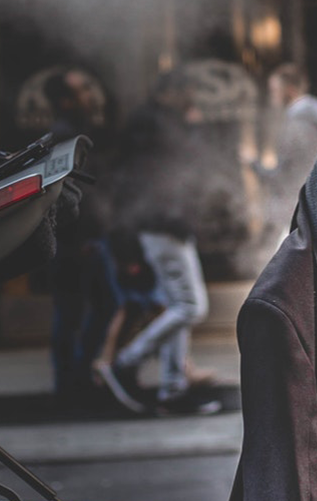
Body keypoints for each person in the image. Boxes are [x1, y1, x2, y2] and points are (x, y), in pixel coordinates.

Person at [95, 73, 222, 416]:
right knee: (191, 306)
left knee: (179, 304)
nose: (193, 99)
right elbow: (186, 164)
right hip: (164, 224)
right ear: (172, 93)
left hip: (165, 224)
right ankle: (124, 363)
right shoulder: (158, 124)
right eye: (189, 91)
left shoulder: (151, 122)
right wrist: (194, 129)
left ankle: (172, 388)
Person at [39, 67, 120, 400]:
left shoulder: (76, 130)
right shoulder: (63, 134)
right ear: (65, 100)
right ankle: (70, 382)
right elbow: (62, 193)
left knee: (97, 306)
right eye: (82, 89)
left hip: (85, 239)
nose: (90, 94)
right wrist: (78, 238)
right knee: (73, 312)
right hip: (75, 242)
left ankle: (76, 375)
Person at [251, 63, 317, 239]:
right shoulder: (316, 115)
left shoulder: (300, 122)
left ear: (289, 90)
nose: (272, 97)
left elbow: (289, 173)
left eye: (274, 90)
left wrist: (254, 165)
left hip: (301, 209)